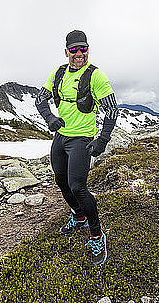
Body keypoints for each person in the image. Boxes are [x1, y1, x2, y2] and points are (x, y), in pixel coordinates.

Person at [35, 30, 118, 265]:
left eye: (83, 48)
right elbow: (40, 100)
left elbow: (112, 110)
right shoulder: (58, 73)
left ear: (88, 49)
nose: (79, 53)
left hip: (82, 139)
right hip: (61, 138)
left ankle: (96, 234)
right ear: (66, 52)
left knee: (78, 187)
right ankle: (78, 216)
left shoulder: (96, 76)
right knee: (61, 181)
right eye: (74, 49)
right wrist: (50, 119)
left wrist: (102, 139)